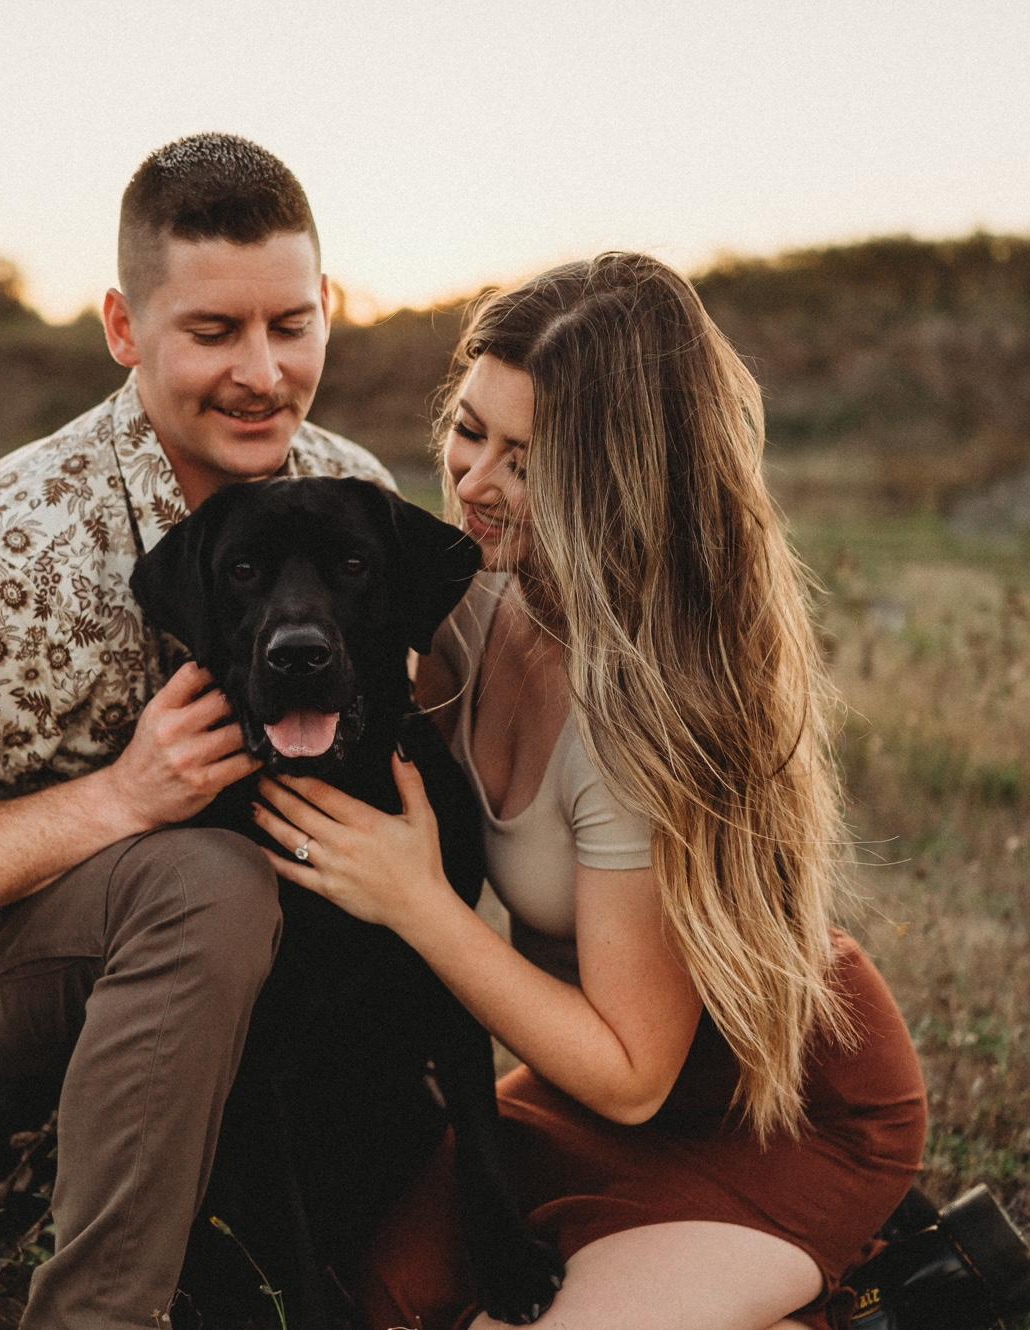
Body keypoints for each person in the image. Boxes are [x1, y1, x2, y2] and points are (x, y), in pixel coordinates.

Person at [252, 253, 928, 1330]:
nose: (474, 481)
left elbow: (631, 1074)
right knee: (380, 1301)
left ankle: (882, 1289)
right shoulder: (474, 600)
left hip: (778, 1109)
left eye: (525, 462)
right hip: (577, 1089)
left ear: (614, 482)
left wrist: (415, 900)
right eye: (469, 431)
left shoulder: (641, 717)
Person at [0, 132, 392, 1329]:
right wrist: (119, 799)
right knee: (205, 880)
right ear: (124, 328)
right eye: (213, 331)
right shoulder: (11, 547)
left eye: (289, 325)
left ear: (328, 309)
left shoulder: (350, 492)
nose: (262, 373)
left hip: (255, 950)